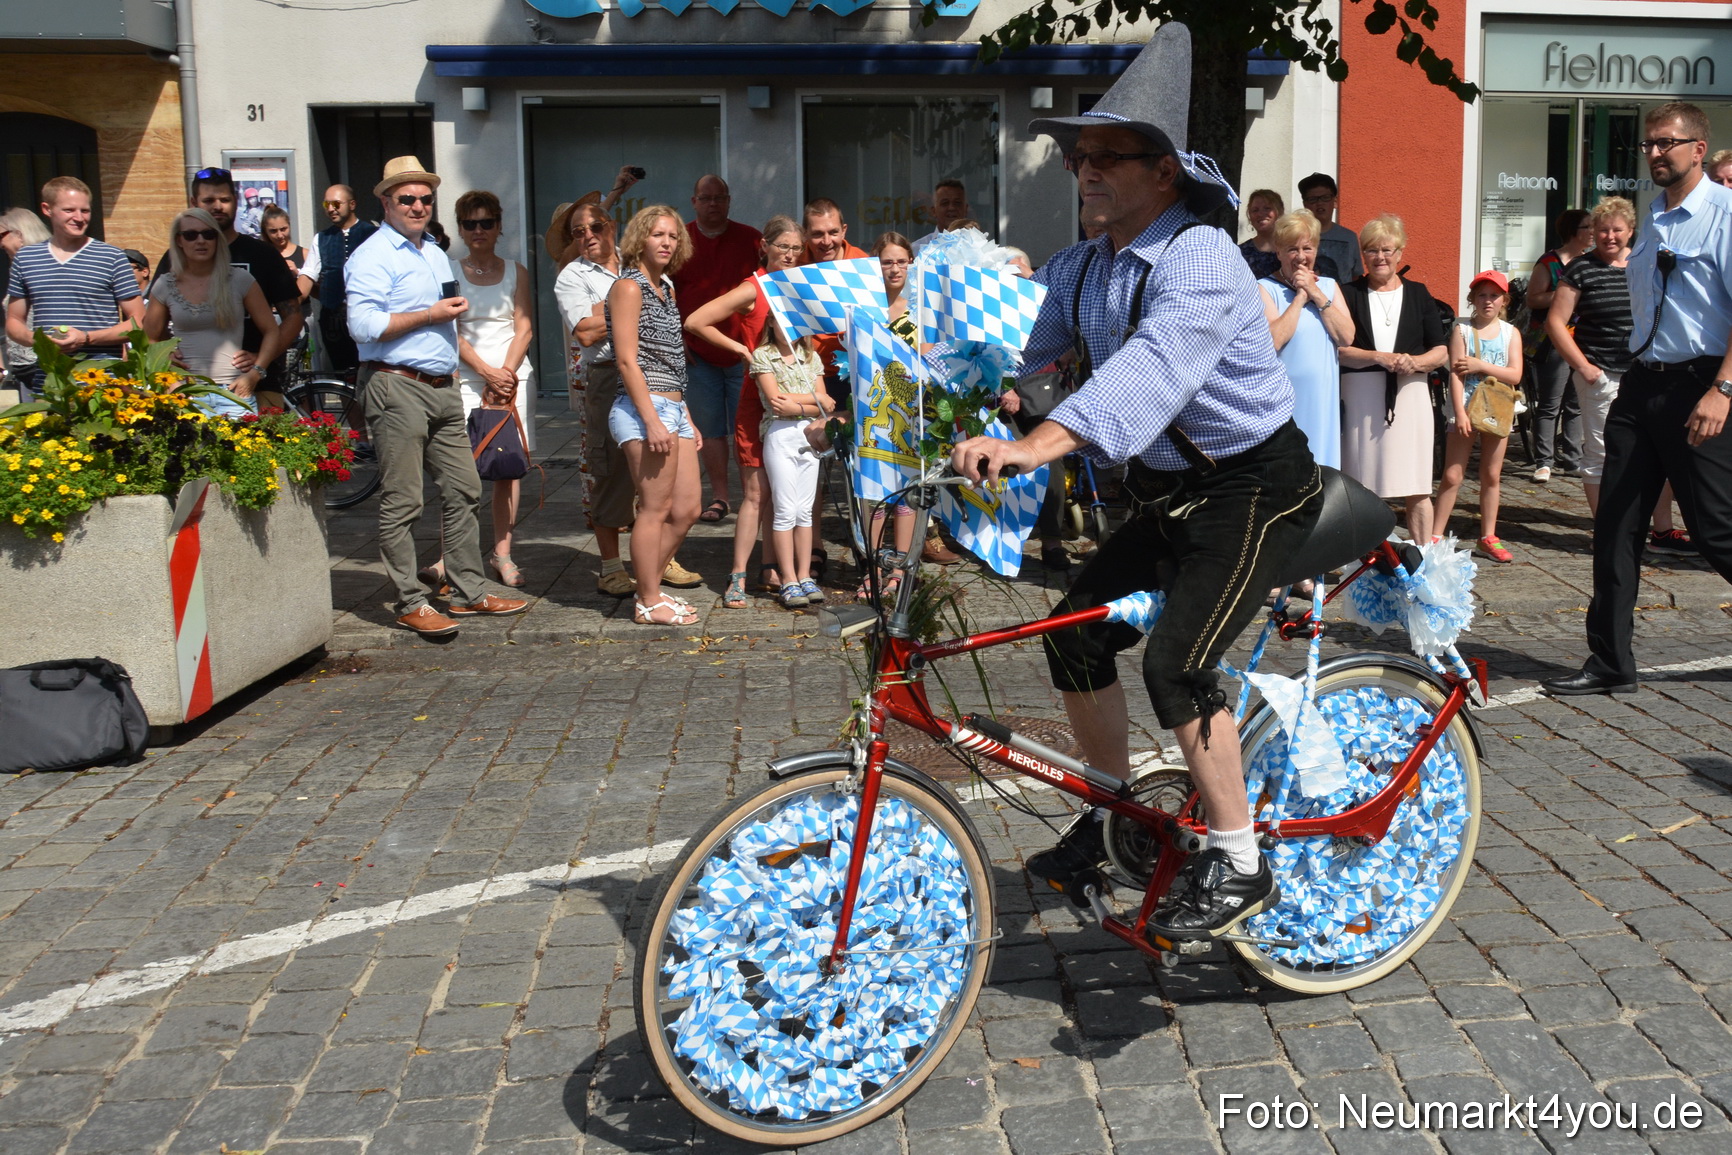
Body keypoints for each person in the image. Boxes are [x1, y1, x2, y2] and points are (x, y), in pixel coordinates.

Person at [951, 23, 1322, 940]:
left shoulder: (1199, 256)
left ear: (1166, 172)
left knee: (1177, 663)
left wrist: (1039, 445)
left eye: (1111, 156)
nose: (1088, 170)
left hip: (1252, 487)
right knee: (1073, 632)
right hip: (1168, 495)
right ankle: (1114, 811)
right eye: (1081, 155)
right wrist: (961, 423)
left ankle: (1239, 859)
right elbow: (1036, 370)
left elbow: (1146, 376)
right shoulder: (1081, 267)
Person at [1546, 103, 1732, 697]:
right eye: (1648, 144)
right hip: (1640, 382)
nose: (1654, 153)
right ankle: (1609, 661)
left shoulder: (1725, 217)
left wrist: (1722, 389)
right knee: (1616, 524)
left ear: (1698, 149)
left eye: (1667, 144)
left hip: (1699, 386)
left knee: (1715, 529)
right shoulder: (1652, 216)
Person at [345, 155, 528, 639]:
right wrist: (428, 315)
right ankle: (409, 600)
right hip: (396, 385)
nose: (418, 205)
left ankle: (468, 591)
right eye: (407, 198)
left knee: (465, 489)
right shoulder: (371, 255)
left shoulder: (430, 251)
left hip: (443, 387)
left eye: (426, 198)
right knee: (404, 500)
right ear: (385, 202)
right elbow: (361, 327)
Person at [551, 191, 700, 598]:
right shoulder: (576, 276)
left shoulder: (657, 276)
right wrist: (621, 309)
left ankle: (653, 565)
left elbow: (666, 345)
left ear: (612, 227)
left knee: (671, 499)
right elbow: (584, 332)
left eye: (596, 226)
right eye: (578, 232)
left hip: (665, 390)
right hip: (608, 376)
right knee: (610, 472)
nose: (588, 235)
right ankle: (614, 567)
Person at [1544, 196, 1691, 554]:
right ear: (1593, 232)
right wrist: (1584, 367)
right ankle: (1607, 532)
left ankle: (1660, 530)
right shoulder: (1581, 268)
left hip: (1647, 373)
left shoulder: (1643, 265)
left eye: (1617, 229)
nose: (1610, 236)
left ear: (1630, 231)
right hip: (1602, 374)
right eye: (1603, 229)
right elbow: (1555, 323)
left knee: (1659, 452)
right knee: (1602, 454)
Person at [683, 215, 803, 608]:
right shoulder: (753, 287)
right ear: (764, 247)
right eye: (783, 246)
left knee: (785, 493)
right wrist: (739, 349)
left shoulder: (803, 288)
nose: (790, 253)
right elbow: (696, 320)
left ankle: (773, 569)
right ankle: (736, 576)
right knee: (756, 493)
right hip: (757, 401)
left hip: (796, 403)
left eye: (797, 248)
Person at [608, 205, 703, 626]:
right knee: (654, 508)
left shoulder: (665, 286)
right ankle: (648, 600)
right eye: (658, 235)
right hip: (643, 408)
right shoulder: (628, 287)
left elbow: (670, 358)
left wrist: (685, 412)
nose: (667, 242)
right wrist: (651, 419)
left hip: (674, 406)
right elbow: (627, 361)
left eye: (673, 236)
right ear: (639, 240)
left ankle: (649, 585)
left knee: (688, 509)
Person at [1338, 214, 1449, 544]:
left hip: (1410, 396)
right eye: (1371, 250)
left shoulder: (1418, 293)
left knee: (1416, 483)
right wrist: (1379, 358)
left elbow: (1440, 351)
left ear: (1400, 253)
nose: (1380, 257)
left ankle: (1423, 560)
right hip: (1361, 395)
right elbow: (1340, 351)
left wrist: (1413, 362)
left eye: (1387, 249)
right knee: (1362, 484)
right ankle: (1364, 562)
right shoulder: (1348, 293)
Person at [453, 189, 535, 587]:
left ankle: (502, 553)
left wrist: (505, 372)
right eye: (471, 224)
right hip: (469, 377)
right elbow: (450, 333)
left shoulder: (517, 270)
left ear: (499, 226)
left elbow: (524, 326)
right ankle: (452, 554)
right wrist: (486, 372)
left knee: (507, 468)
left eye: (487, 222)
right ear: (461, 229)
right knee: (461, 469)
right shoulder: (448, 273)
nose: (479, 230)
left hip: (513, 376)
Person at [671, 175, 762, 526]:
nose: (713, 204)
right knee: (709, 429)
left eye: (719, 198)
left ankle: (751, 495)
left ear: (728, 201)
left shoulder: (750, 239)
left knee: (746, 426)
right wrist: (678, 339)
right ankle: (721, 496)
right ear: (694, 202)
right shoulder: (681, 241)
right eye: (705, 198)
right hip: (698, 352)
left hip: (744, 352)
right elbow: (668, 293)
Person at [154, 168, 304, 378]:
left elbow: (293, 317)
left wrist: (260, 359)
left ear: (235, 200)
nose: (217, 206)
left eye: (224, 199)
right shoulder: (176, 257)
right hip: (189, 384)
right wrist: (165, 354)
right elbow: (153, 327)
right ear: (193, 202)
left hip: (258, 382)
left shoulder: (263, 253)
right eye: (208, 200)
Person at [4, 177, 144, 399]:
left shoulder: (111, 257)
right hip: (51, 382)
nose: (79, 218)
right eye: (69, 210)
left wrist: (86, 338)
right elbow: (14, 321)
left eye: (85, 211)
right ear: (47, 209)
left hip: (104, 384)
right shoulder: (26, 259)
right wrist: (40, 342)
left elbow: (139, 322)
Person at [142, 208, 284, 418]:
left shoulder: (240, 279)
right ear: (179, 241)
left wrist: (256, 374)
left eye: (208, 234)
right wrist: (167, 370)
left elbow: (272, 330)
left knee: (243, 451)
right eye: (191, 235)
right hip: (186, 394)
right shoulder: (165, 285)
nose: (201, 240)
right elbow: (148, 339)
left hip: (235, 392)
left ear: (218, 239)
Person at [1431, 271, 1524, 561]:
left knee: (1492, 474)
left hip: (1498, 410)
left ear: (1504, 300)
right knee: (1452, 474)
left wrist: (1480, 364)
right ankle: (1434, 535)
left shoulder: (1511, 333)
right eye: (1482, 295)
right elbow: (1456, 376)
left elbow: (1515, 374)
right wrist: (1458, 412)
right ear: (1472, 298)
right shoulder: (1461, 330)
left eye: (1494, 295)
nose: (1488, 301)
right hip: (1466, 410)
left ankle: (1488, 535)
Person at [749, 295, 834, 609]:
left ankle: (804, 575)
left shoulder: (809, 357)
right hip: (780, 434)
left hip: (810, 434)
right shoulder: (763, 355)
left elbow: (828, 402)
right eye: (780, 320)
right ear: (771, 322)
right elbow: (776, 401)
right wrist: (814, 402)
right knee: (785, 509)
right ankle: (787, 578)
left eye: (792, 323)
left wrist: (801, 404)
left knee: (805, 508)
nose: (787, 328)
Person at [1258, 209, 1350, 470]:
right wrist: (1299, 298)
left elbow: (1346, 337)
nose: (1300, 257)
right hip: (1285, 401)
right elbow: (1274, 340)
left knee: (1323, 469)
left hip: (1322, 399)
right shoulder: (1264, 288)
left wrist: (1316, 293)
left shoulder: (1330, 287)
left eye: (1307, 248)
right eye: (1291, 249)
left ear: (1316, 250)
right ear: (1278, 252)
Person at [1525, 209, 1593, 483]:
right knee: (1550, 403)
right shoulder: (1550, 262)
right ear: (1573, 231)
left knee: (1576, 404)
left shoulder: (1591, 261)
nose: (1593, 231)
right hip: (1554, 340)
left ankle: (1573, 459)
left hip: (1585, 339)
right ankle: (1544, 461)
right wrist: (1565, 295)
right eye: (1588, 226)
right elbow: (1533, 299)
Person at [296, 185, 378, 374]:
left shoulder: (373, 234)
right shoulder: (321, 238)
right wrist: (290, 302)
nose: (331, 208)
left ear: (352, 204)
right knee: (342, 376)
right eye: (327, 204)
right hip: (333, 320)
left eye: (336, 203)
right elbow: (307, 276)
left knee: (368, 372)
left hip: (367, 315)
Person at [1, 206, 51, 387]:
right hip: (23, 367)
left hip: (41, 363)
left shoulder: (42, 270)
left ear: (20, 235)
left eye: (2, 236)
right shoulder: (18, 270)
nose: (1, 244)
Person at [1297, 173, 1362, 283]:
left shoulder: (1349, 237)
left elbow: (1356, 277)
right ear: (1305, 204)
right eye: (1313, 199)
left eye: (1325, 198)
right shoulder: (1297, 236)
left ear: (1335, 202)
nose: (1320, 203)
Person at [1238, 189, 1284, 281]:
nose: (1261, 214)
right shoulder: (1240, 253)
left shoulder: (1292, 246)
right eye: (1255, 210)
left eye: (1267, 208)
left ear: (1279, 212)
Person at [913, 178, 969, 252]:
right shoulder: (917, 250)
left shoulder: (979, 249)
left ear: (965, 209)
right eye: (945, 203)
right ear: (934, 211)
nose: (951, 208)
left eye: (957, 203)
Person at [261, 206, 306, 280]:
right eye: (273, 231)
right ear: (265, 231)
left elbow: (320, 288)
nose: (279, 235)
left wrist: (298, 274)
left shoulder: (305, 254)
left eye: (283, 229)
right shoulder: (260, 256)